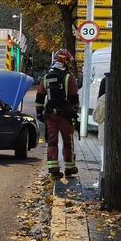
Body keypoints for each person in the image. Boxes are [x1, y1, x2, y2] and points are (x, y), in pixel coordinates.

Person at [36, 48, 79, 181]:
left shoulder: (46, 77)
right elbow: (74, 98)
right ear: (65, 62)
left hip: (50, 115)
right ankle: (70, 167)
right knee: (68, 142)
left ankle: (53, 169)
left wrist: (39, 112)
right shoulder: (69, 78)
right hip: (65, 116)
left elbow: (40, 96)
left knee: (52, 141)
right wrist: (73, 112)